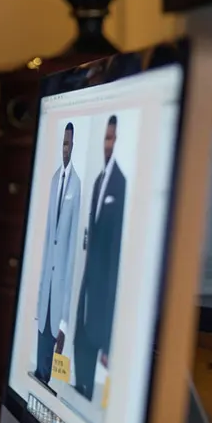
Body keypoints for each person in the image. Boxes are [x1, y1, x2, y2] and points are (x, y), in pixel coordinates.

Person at [73, 115, 126, 401]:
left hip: (103, 303)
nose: (109, 144)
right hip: (86, 297)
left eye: (113, 138)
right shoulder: (97, 183)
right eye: (106, 138)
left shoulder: (122, 185)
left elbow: (116, 259)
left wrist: (109, 339)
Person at [34, 122, 81, 386]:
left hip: (61, 288)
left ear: (73, 146)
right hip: (47, 289)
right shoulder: (54, 180)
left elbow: (72, 247)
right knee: (40, 359)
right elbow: (46, 242)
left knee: (52, 365)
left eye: (68, 143)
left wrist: (65, 317)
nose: (65, 148)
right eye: (62, 143)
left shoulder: (77, 184)